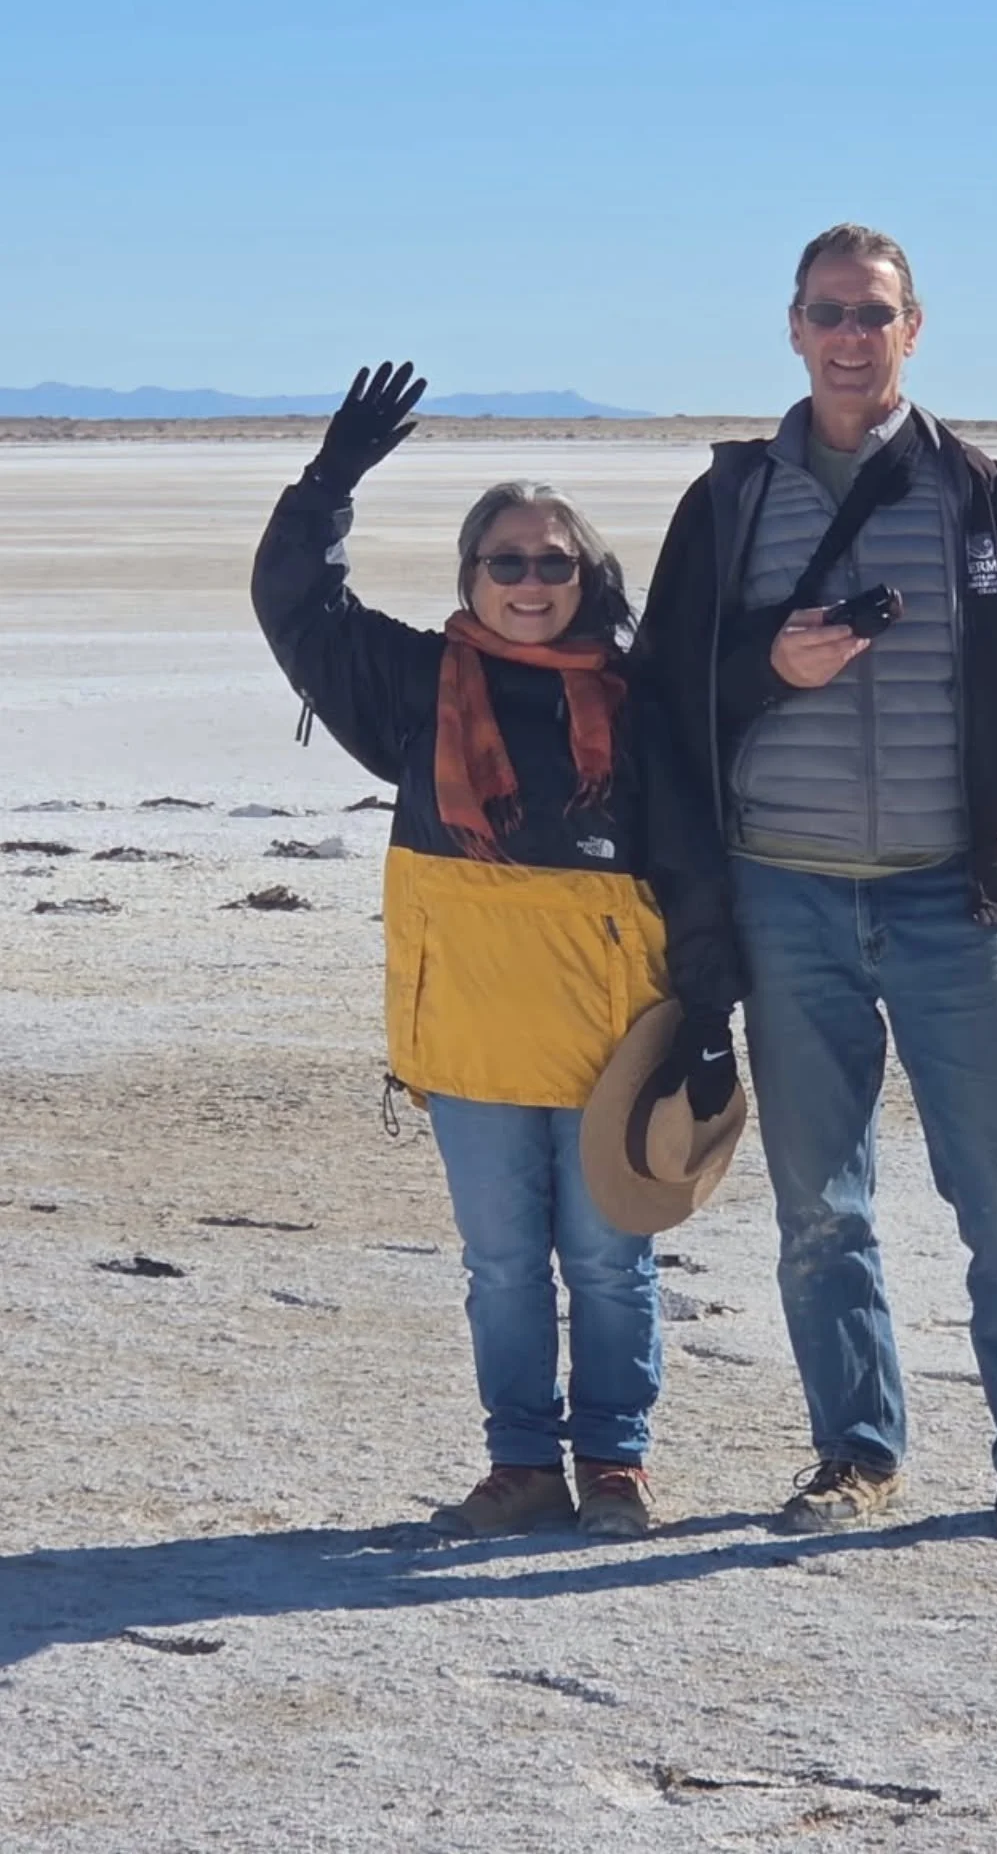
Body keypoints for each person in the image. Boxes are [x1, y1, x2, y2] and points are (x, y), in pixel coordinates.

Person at [634, 225, 997, 1542]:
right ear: (794, 328)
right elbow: (665, 702)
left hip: (953, 905)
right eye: (830, 313)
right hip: (785, 896)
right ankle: (857, 1455)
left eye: (876, 315)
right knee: (820, 1210)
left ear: (915, 332)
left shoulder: (981, 491)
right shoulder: (728, 502)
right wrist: (765, 670)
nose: (853, 336)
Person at [252, 363, 745, 1540]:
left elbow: (692, 871)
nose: (530, 583)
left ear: (590, 578)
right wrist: (329, 486)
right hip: (470, 1031)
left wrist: (713, 1024)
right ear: (472, 576)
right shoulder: (417, 686)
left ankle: (615, 1465)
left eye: (553, 562)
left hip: (615, 1040)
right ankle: (523, 1465)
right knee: (507, 1268)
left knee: (612, 1263)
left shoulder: (640, 704)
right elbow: (294, 607)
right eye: (506, 562)